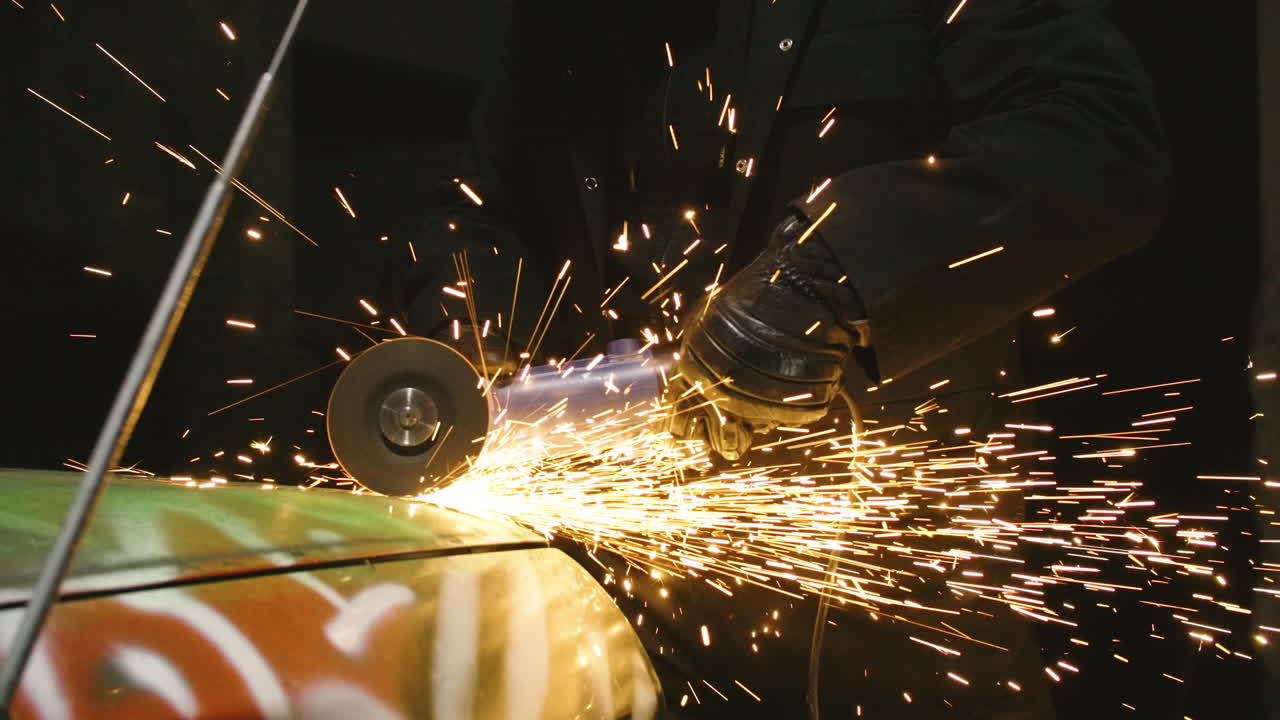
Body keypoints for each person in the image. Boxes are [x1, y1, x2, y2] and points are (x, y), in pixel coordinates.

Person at [402, 1, 1169, 716]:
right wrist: (475, 335)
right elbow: (474, 208)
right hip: (607, 604)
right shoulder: (559, 21)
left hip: (887, 610)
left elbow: (1098, 138)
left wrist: (832, 274)